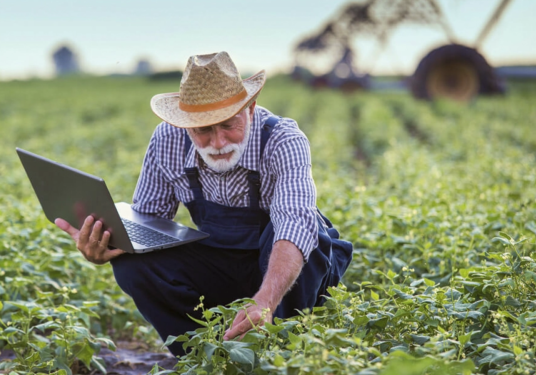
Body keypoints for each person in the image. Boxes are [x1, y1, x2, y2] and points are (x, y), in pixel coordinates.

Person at [55, 51, 353, 356]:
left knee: (309, 231)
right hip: (221, 265)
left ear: (249, 108)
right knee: (133, 262)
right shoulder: (168, 140)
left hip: (287, 276)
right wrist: (105, 244)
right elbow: (150, 225)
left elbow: (295, 224)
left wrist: (265, 300)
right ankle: (206, 357)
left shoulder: (282, 140)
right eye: (203, 130)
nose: (219, 142)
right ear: (186, 125)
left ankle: (281, 353)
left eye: (228, 125)